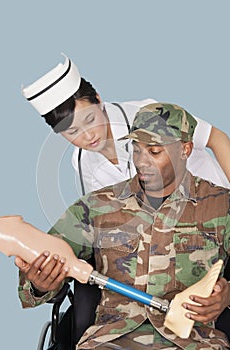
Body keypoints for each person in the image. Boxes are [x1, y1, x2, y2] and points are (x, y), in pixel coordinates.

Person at [17, 102, 230, 349]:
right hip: (110, 339)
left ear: (185, 149)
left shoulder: (221, 205)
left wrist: (227, 296)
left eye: (154, 151)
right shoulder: (96, 206)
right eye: (136, 149)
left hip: (194, 341)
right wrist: (39, 284)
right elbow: (42, 265)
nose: (142, 162)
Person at [22, 54, 230, 195]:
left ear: (98, 99)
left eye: (90, 120)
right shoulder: (82, 162)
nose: (88, 136)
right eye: (73, 131)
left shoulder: (149, 114)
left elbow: (215, 138)